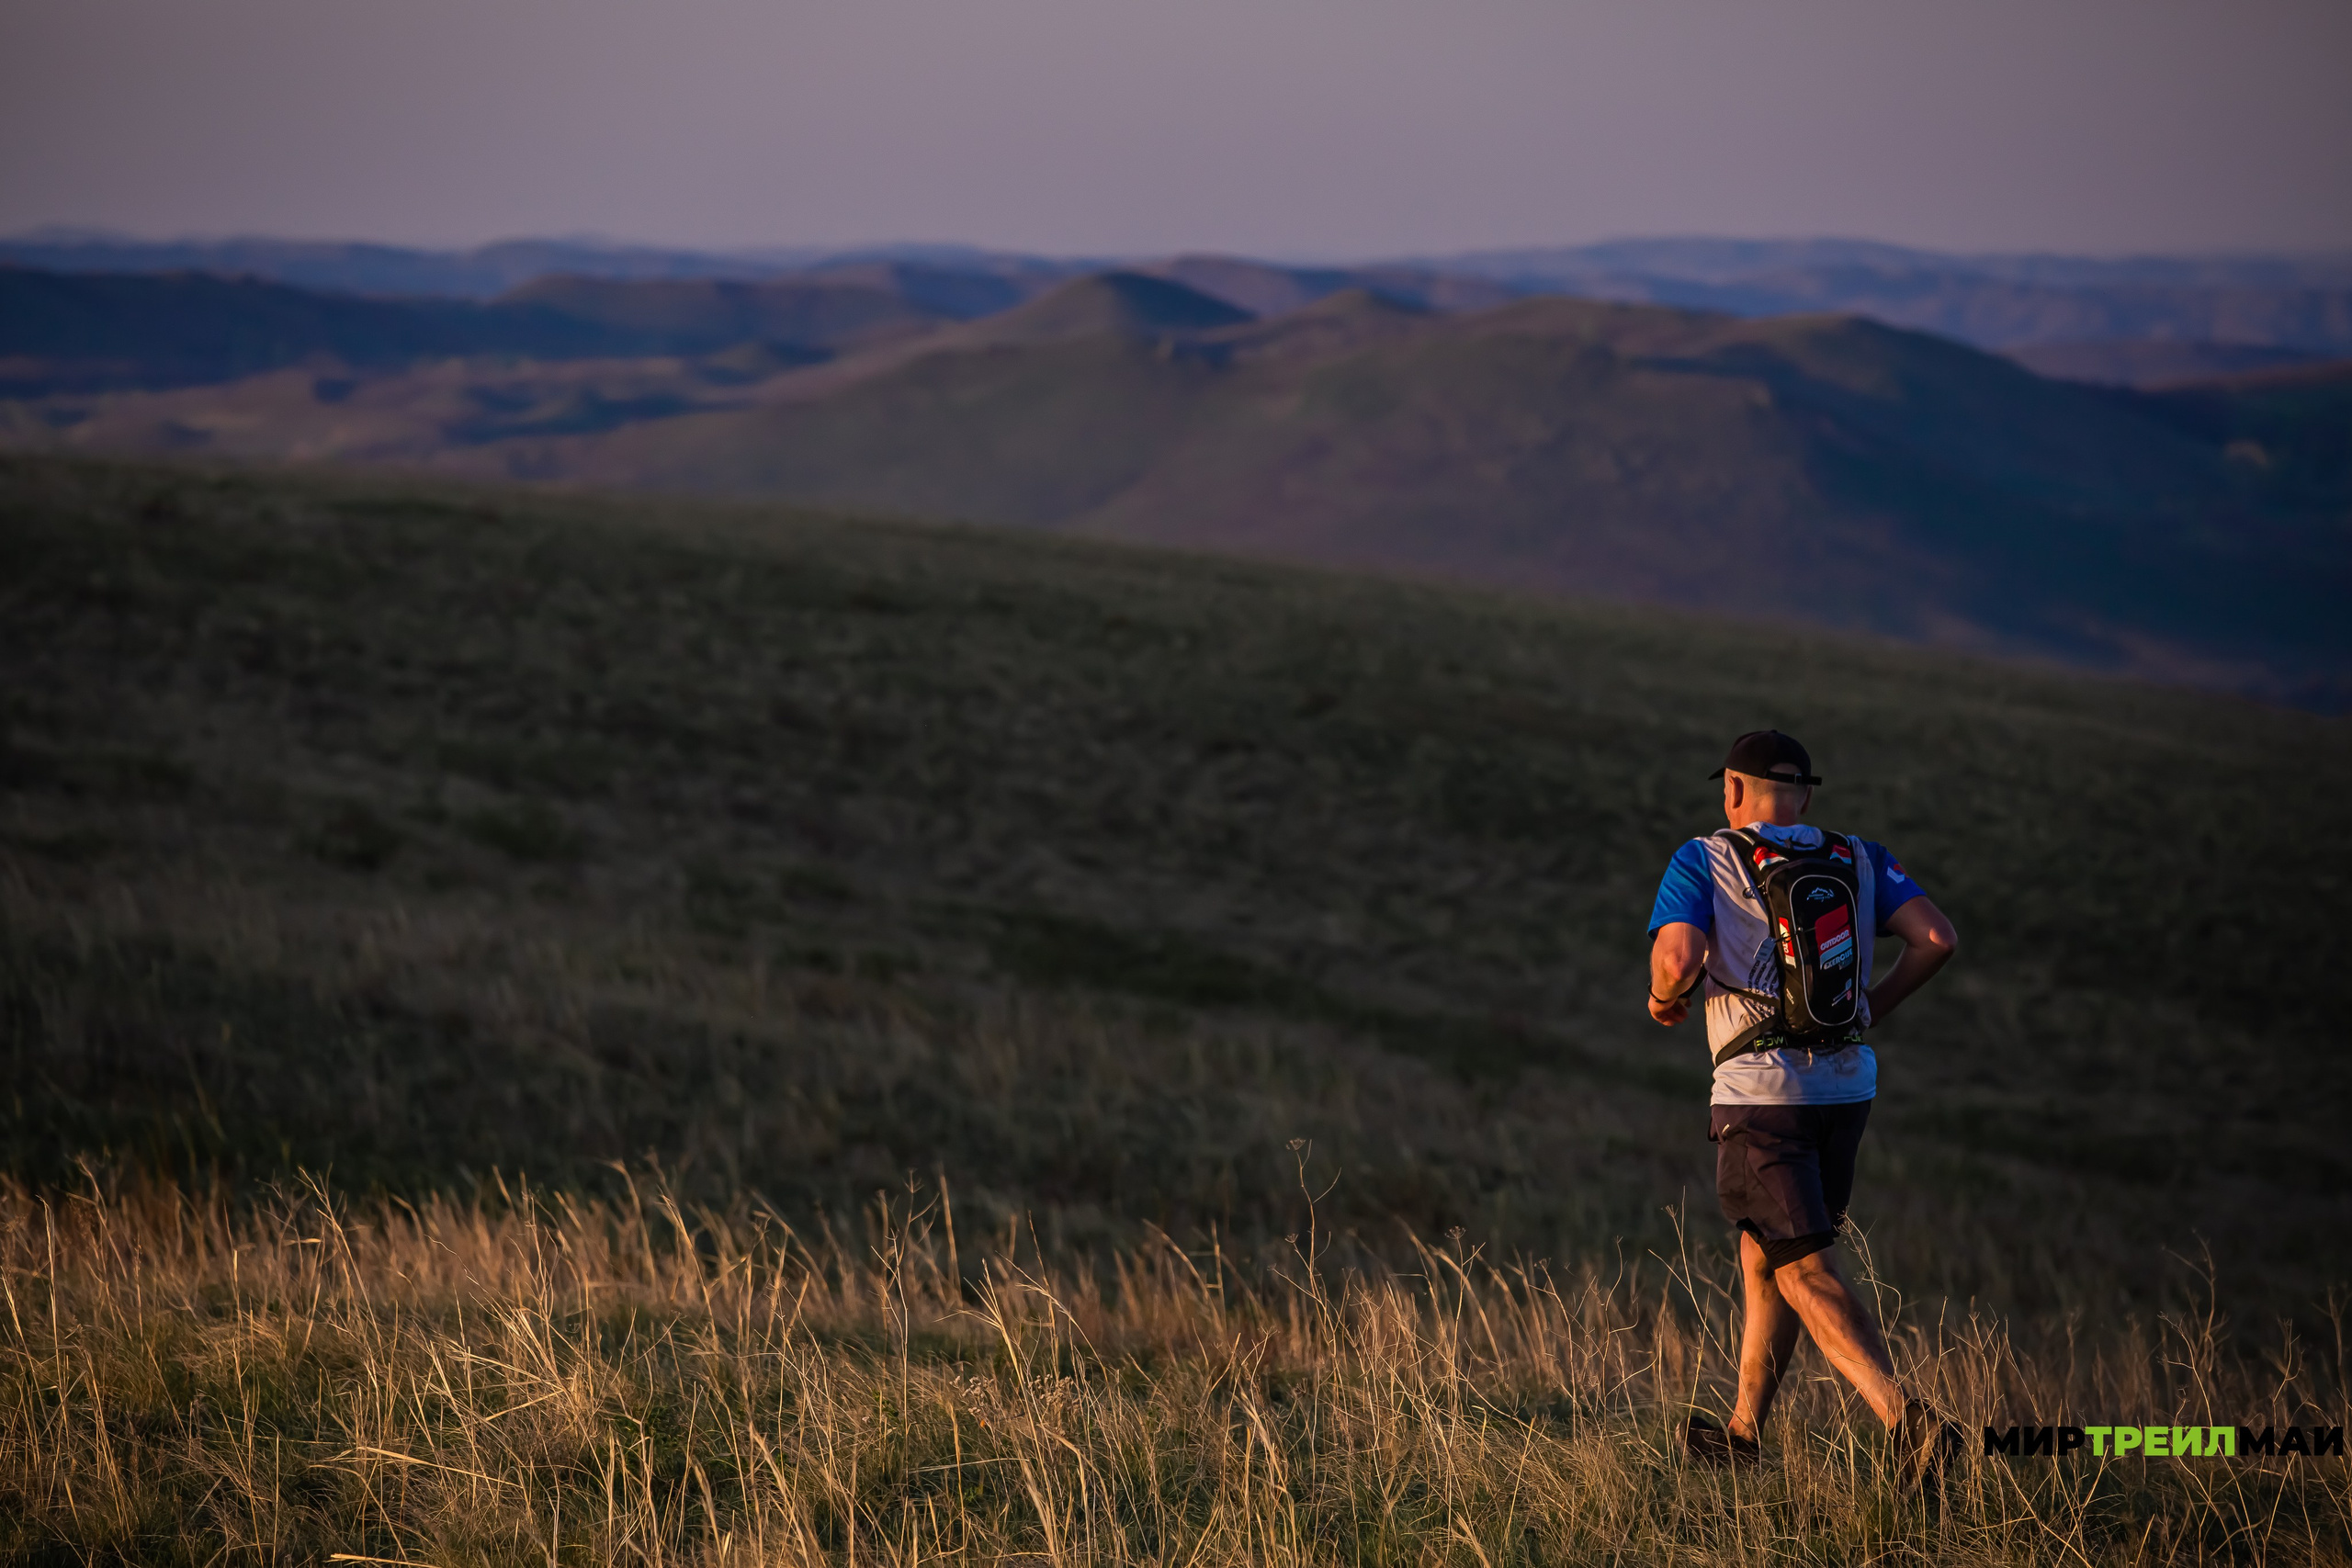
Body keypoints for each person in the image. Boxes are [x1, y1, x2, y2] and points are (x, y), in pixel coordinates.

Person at [1646, 729, 1962, 1487]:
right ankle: (1743, 1433)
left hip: (1761, 1098)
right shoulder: (1860, 854)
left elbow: (1680, 960)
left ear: (1731, 790)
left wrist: (1663, 1001)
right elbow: (1937, 938)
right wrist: (1869, 1009)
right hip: (1846, 1091)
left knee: (1803, 1267)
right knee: (1768, 1256)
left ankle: (1908, 1422)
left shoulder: (1705, 857)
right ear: (1807, 795)